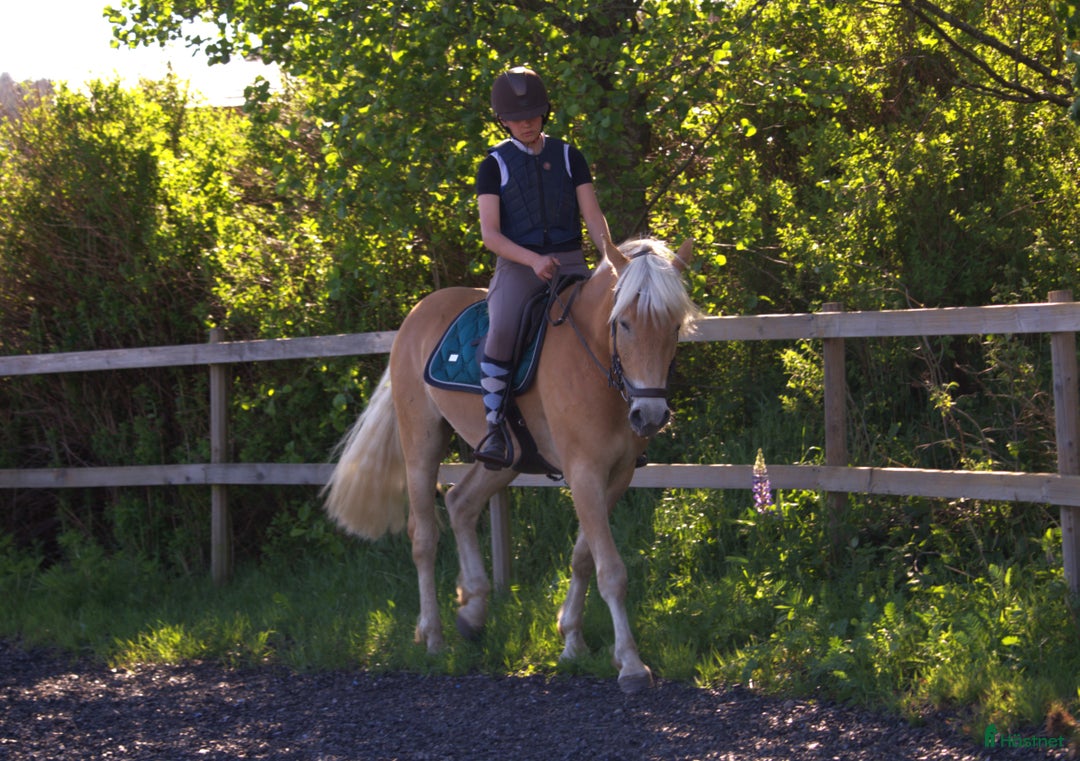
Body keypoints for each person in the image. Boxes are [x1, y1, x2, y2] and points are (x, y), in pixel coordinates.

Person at [474, 66, 612, 468]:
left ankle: (624, 419)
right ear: (502, 120)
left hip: (571, 261)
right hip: (519, 266)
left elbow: (592, 214)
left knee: (616, 322)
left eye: (532, 115)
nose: (526, 123)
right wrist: (532, 259)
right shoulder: (493, 165)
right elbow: (490, 234)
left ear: (545, 112)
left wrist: (611, 258)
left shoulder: (569, 156)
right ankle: (495, 425)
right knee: (502, 329)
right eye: (516, 118)